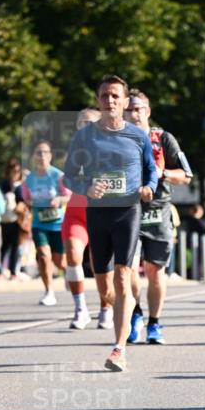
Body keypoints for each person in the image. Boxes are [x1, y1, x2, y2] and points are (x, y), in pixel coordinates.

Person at [63, 74, 158, 371]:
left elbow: (151, 171)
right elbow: (68, 175)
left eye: (116, 95)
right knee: (106, 288)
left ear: (125, 101)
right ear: (98, 100)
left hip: (127, 211)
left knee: (122, 274)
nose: (110, 100)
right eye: (105, 95)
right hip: (97, 212)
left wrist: (148, 188)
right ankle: (117, 307)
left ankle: (119, 348)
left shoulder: (137, 136)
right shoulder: (85, 136)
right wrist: (87, 188)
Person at [124, 90, 193, 344]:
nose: (134, 113)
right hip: (129, 211)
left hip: (158, 211)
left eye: (138, 108)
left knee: (155, 272)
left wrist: (162, 173)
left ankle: (154, 323)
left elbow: (186, 175)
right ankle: (135, 314)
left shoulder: (163, 138)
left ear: (148, 112)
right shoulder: (118, 140)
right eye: (129, 109)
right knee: (129, 268)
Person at [61, 107, 116, 330]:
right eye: (81, 122)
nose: (85, 126)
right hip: (76, 214)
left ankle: (106, 308)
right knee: (73, 255)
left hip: (101, 213)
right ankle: (81, 309)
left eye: (89, 122)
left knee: (99, 265)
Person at [21, 140, 70, 306]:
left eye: (45, 152)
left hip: (57, 223)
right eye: (38, 152)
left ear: (50, 156)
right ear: (34, 157)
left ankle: (68, 273)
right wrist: (30, 203)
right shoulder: (29, 180)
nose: (42, 156)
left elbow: (68, 196)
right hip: (39, 223)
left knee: (60, 261)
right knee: (43, 255)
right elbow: (26, 199)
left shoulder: (58, 175)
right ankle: (49, 291)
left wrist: (58, 199)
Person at [0, 158, 23, 278]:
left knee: (15, 246)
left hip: (17, 220)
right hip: (5, 219)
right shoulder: (4, 184)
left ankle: (13, 272)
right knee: (3, 245)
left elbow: (23, 200)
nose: (15, 173)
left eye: (18, 171)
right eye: (13, 170)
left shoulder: (21, 185)